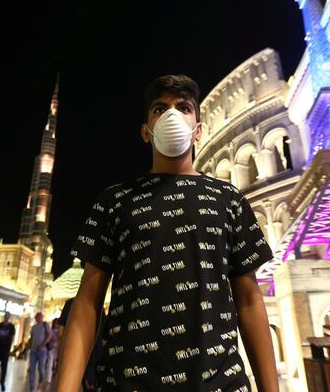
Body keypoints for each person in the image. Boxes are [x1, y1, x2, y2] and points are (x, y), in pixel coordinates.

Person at [55, 75, 278, 391]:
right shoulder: (115, 200)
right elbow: (88, 302)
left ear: (198, 130)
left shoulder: (230, 200)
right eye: (160, 108)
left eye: (184, 107)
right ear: (146, 132)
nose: (172, 115)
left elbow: (249, 300)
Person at [27, 312, 50, 391]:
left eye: (39, 316)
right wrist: (28, 346)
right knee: (32, 369)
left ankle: (40, 384)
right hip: (33, 350)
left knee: (41, 369)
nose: (38, 318)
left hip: (42, 351)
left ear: (42, 317)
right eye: (37, 317)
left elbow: (49, 335)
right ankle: (32, 387)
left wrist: (43, 344)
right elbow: (31, 338)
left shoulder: (45, 325)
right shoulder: (33, 327)